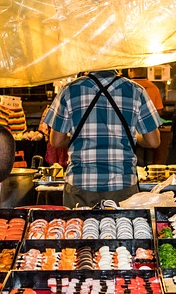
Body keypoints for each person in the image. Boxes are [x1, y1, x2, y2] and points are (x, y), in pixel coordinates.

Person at [46, 68, 162, 207]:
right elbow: (154, 141)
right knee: (121, 228)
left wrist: (79, 138)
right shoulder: (136, 90)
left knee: (79, 228)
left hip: (80, 183)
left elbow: (56, 141)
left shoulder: (69, 90)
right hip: (122, 183)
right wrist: (132, 136)